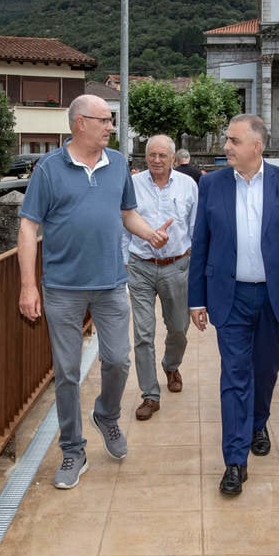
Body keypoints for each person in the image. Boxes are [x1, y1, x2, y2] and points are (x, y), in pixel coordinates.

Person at [18, 94, 169, 490]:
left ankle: (106, 414)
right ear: (80, 123)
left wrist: (150, 234)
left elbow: (126, 213)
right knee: (67, 373)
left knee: (118, 360)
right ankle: (73, 449)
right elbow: (28, 228)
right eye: (105, 120)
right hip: (62, 288)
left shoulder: (118, 162)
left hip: (110, 283)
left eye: (111, 121)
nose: (110, 127)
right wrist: (28, 286)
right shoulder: (49, 169)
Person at [188, 114, 279, 496]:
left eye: (233, 140)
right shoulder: (211, 184)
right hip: (231, 297)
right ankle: (234, 460)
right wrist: (197, 298)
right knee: (234, 376)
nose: (226, 146)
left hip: (273, 295)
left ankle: (258, 421)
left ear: (256, 146)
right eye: (227, 139)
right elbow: (202, 244)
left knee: (265, 370)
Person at [126, 135, 199, 421]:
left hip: (177, 266)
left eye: (162, 156)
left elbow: (195, 227)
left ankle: (171, 364)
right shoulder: (132, 185)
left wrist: (194, 261)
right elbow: (123, 221)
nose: (156, 160)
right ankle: (149, 395)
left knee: (179, 328)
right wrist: (124, 261)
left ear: (173, 158)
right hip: (141, 266)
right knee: (143, 333)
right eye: (151, 155)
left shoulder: (188, 186)